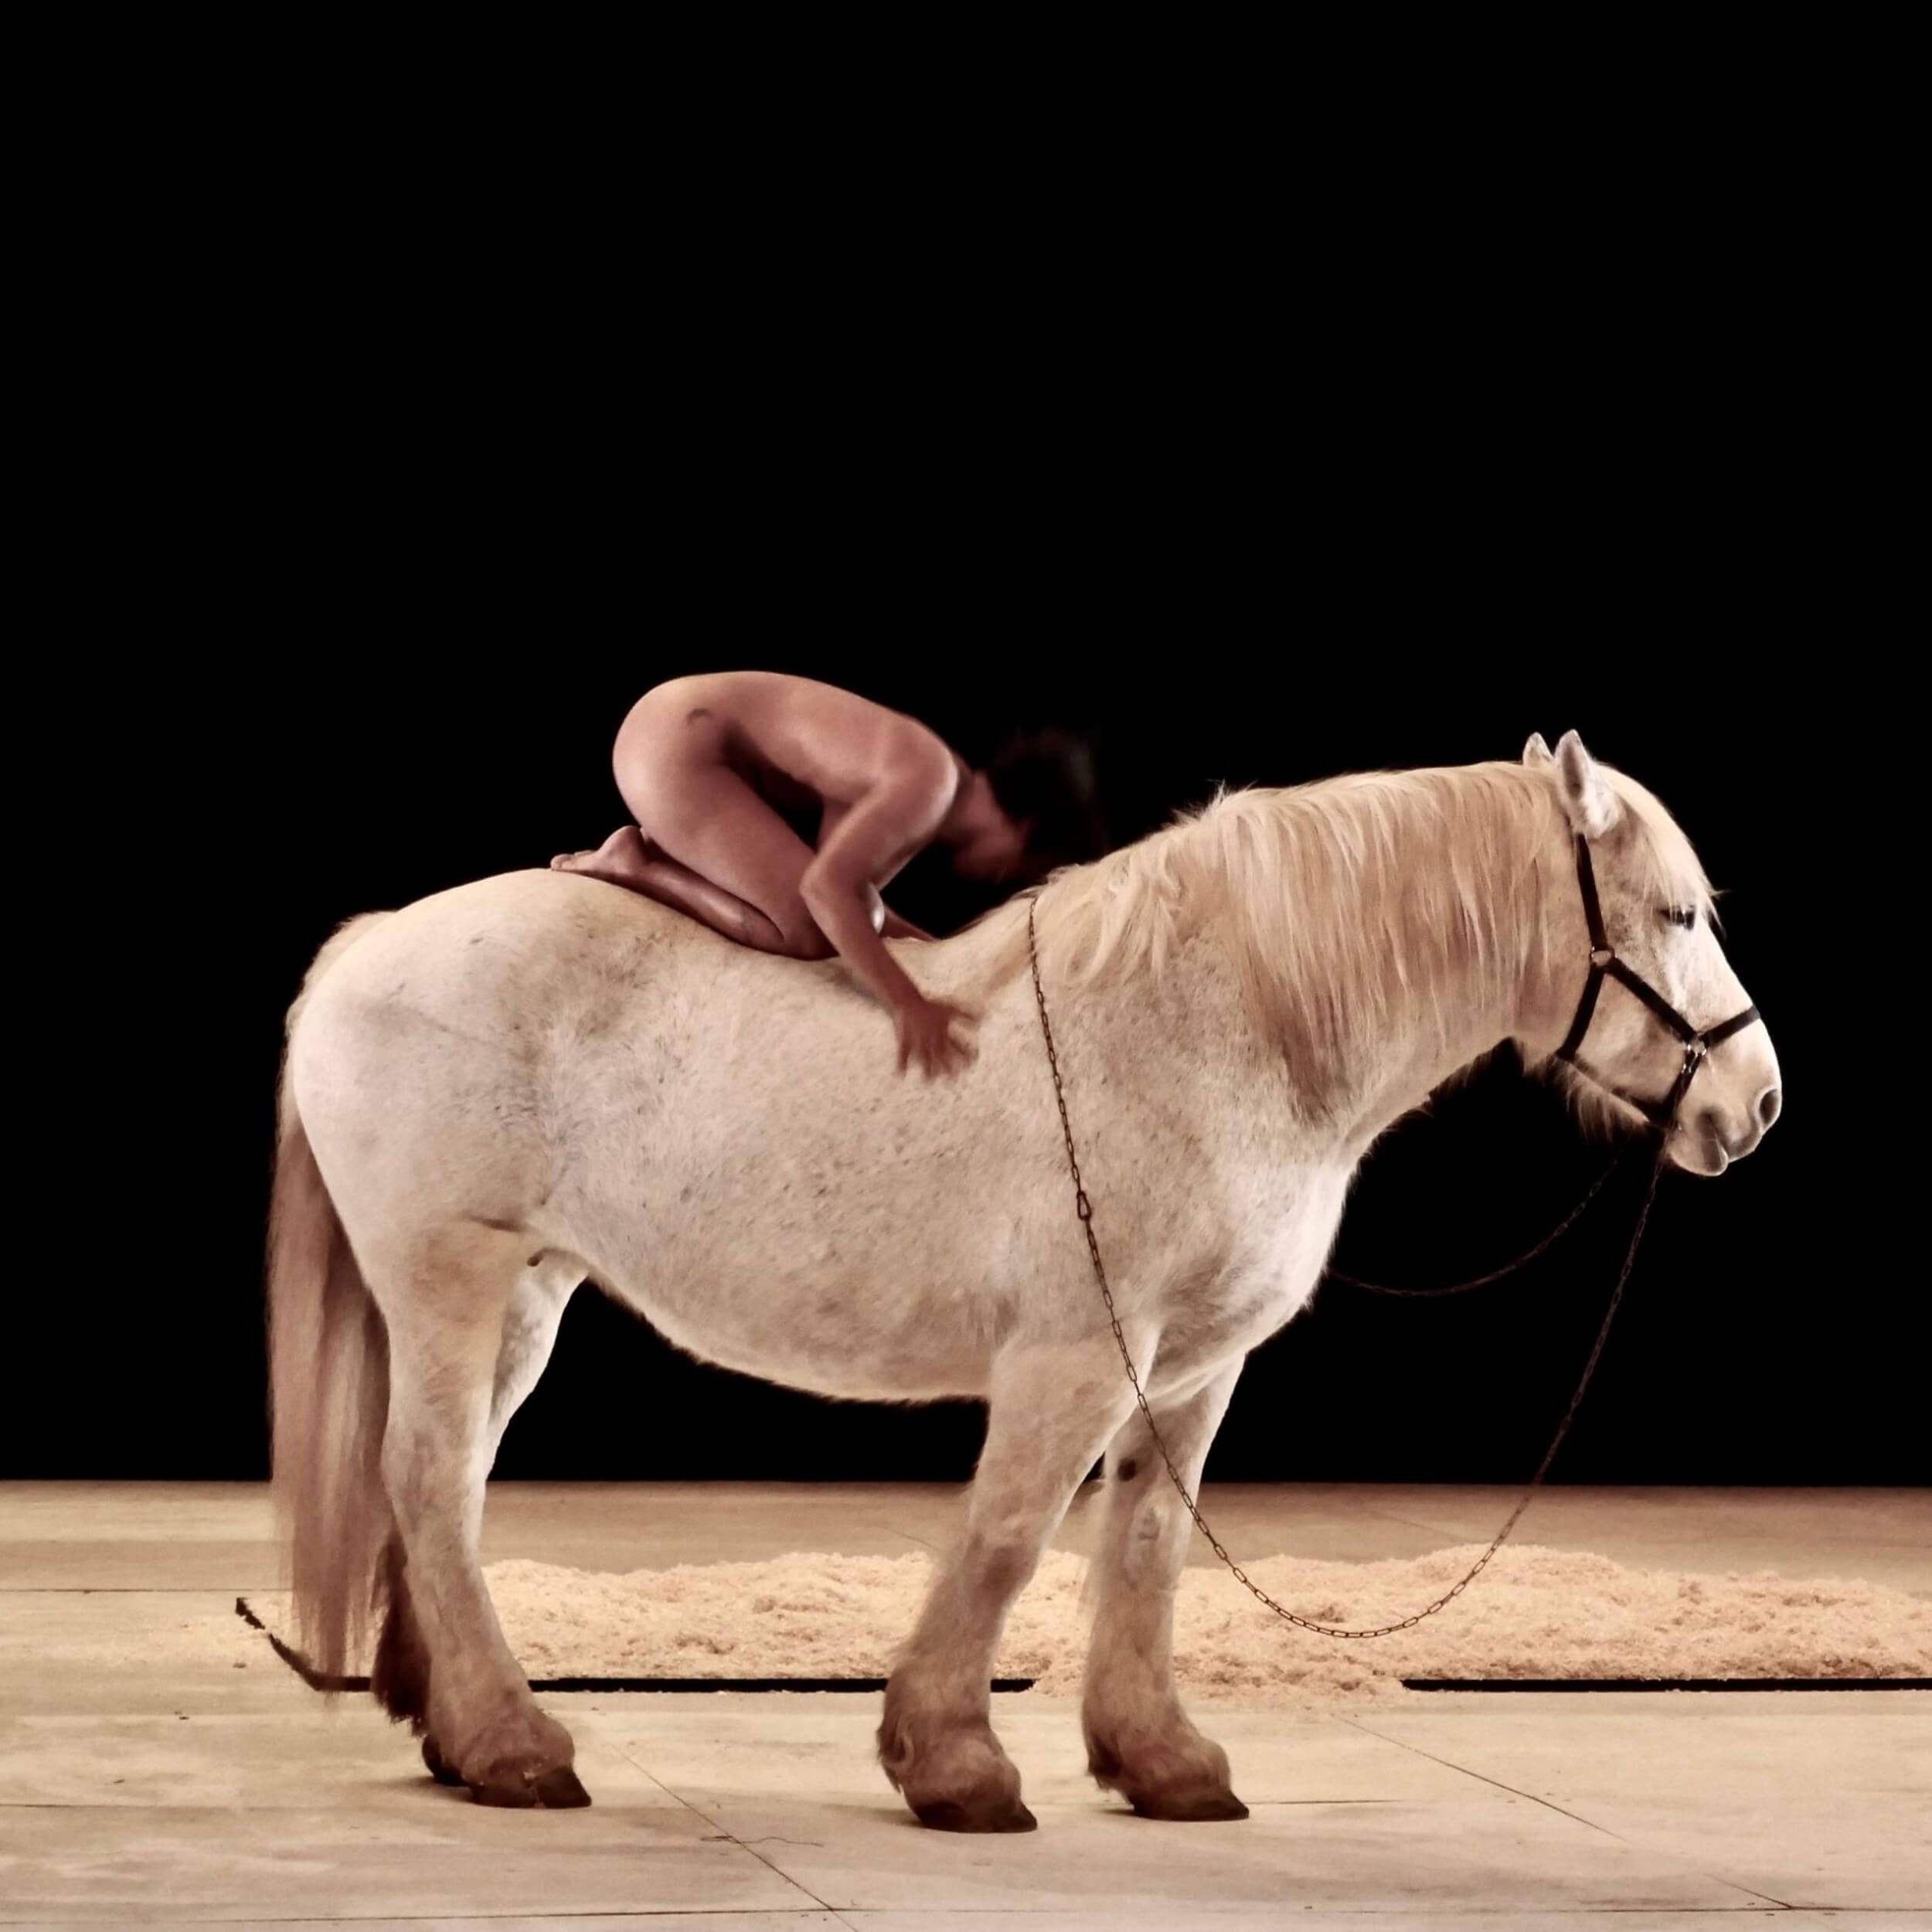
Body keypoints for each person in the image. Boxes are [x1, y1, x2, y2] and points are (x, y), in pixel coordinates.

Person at [551, 672, 1103, 1077]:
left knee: (842, 919)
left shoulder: (934, 780)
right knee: (806, 932)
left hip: (680, 735)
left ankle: (656, 861)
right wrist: (906, 1003)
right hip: (675, 744)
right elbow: (824, 895)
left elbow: (857, 907)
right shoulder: (929, 784)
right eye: (1016, 867)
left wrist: (946, 952)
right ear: (1026, 828)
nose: (997, 876)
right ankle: (637, 867)